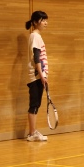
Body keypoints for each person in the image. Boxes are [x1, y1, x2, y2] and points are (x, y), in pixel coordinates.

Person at [25, 11, 49, 141]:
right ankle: (32, 133)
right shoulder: (35, 36)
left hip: (39, 76)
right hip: (35, 76)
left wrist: (43, 75)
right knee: (34, 104)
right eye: (43, 20)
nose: (45, 23)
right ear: (35, 22)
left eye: (46, 20)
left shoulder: (37, 36)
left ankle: (33, 132)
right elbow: (36, 57)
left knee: (36, 104)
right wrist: (41, 75)